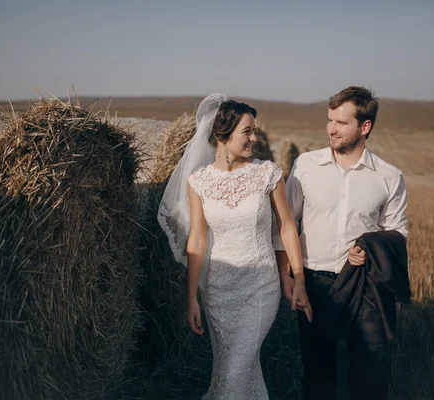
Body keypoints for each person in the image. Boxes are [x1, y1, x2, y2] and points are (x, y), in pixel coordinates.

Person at [158, 93, 312, 400]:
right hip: (217, 291)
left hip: (260, 286)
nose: (254, 138)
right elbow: (198, 241)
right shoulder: (198, 181)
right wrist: (192, 299)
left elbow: (286, 226)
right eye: (248, 131)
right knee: (233, 366)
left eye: (255, 131)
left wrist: (299, 278)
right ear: (222, 135)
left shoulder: (267, 173)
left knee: (235, 369)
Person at [273, 86, 409, 400]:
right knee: (318, 375)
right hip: (314, 283)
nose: (331, 129)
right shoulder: (305, 166)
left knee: (371, 376)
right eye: (329, 120)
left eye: (341, 123)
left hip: (365, 285)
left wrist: (369, 248)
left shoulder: (389, 177)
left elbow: (397, 235)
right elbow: (285, 225)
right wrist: (287, 276)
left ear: (365, 127)